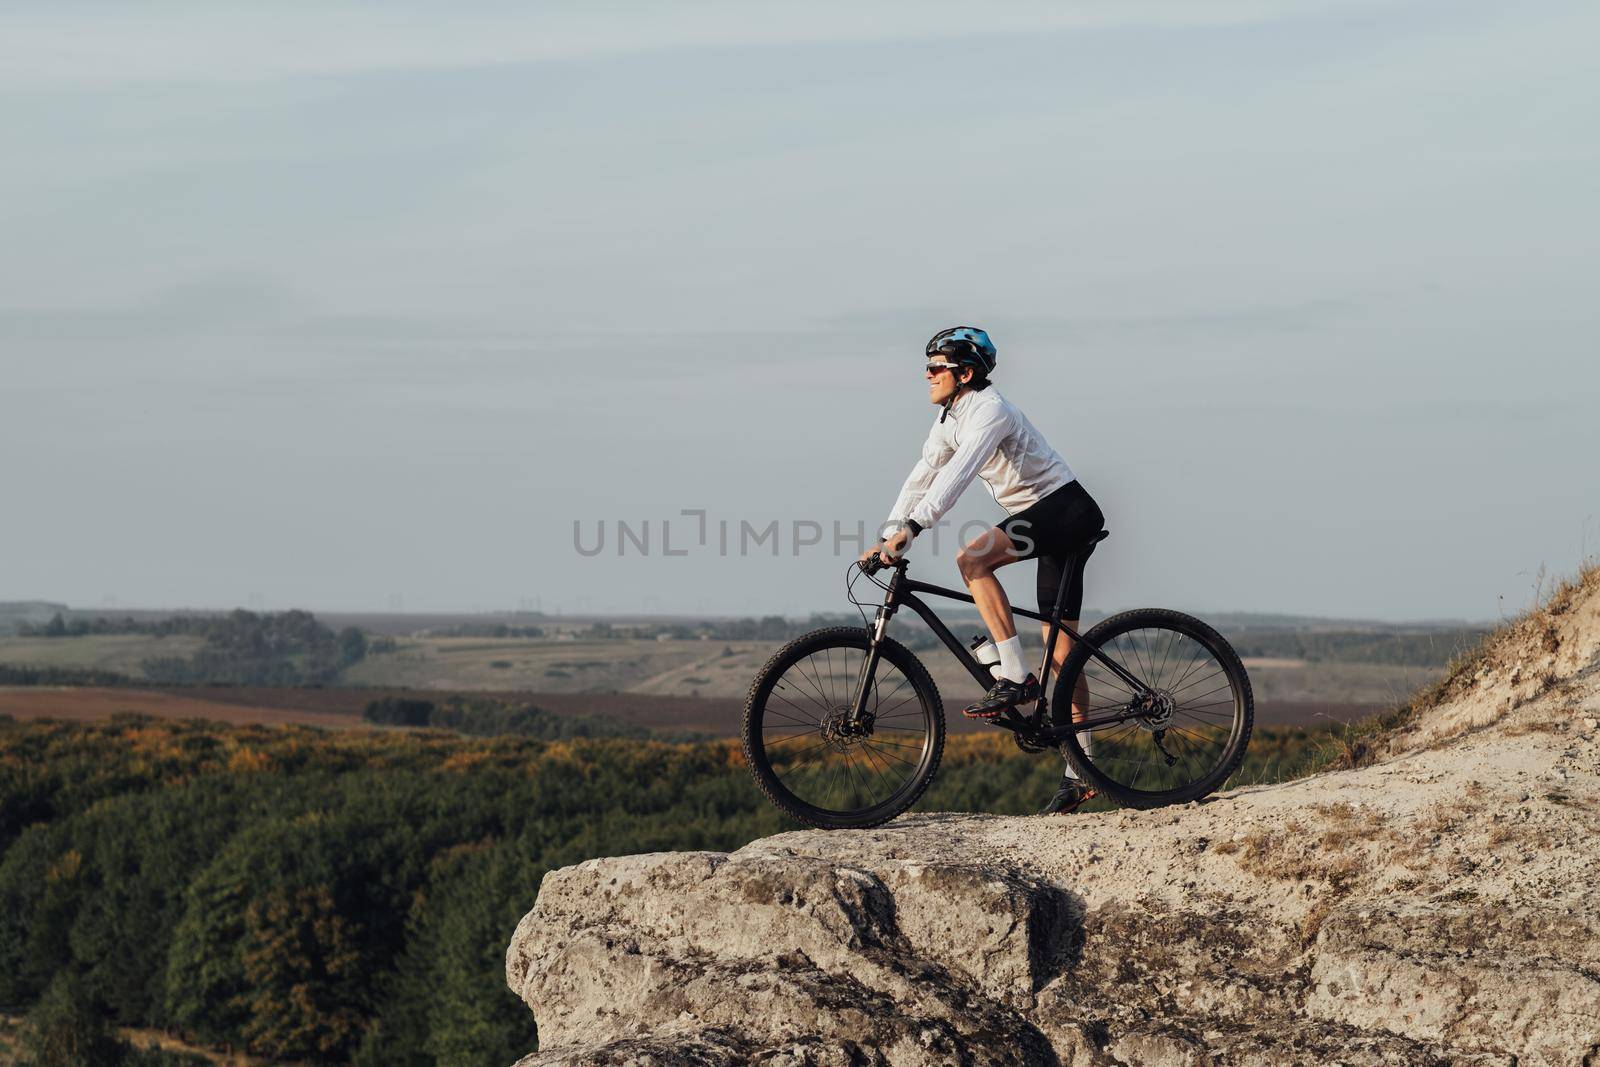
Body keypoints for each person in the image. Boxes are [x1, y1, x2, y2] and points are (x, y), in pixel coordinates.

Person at [858, 326, 1106, 814]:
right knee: (1062, 654)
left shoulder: (989, 411)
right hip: (1043, 518)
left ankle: (1013, 674)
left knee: (972, 559)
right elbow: (924, 473)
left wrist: (913, 527)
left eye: (936, 368)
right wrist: (890, 530)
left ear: (965, 373)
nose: (926, 375)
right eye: (926, 367)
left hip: (1064, 510)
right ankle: (1081, 774)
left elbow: (959, 473)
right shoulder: (951, 417)